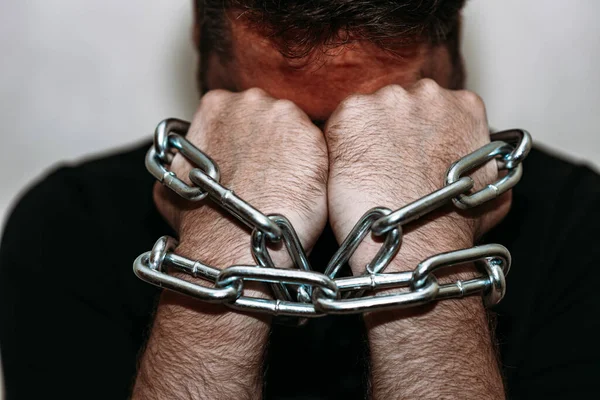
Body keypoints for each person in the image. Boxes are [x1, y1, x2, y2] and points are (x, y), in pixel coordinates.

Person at [1, 1, 599, 399]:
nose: (333, 154)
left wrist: (424, 238)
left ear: (454, 53)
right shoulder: (67, 229)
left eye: (380, 115)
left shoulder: (581, 229)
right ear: (203, 52)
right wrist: (224, 237)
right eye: (284, 119)